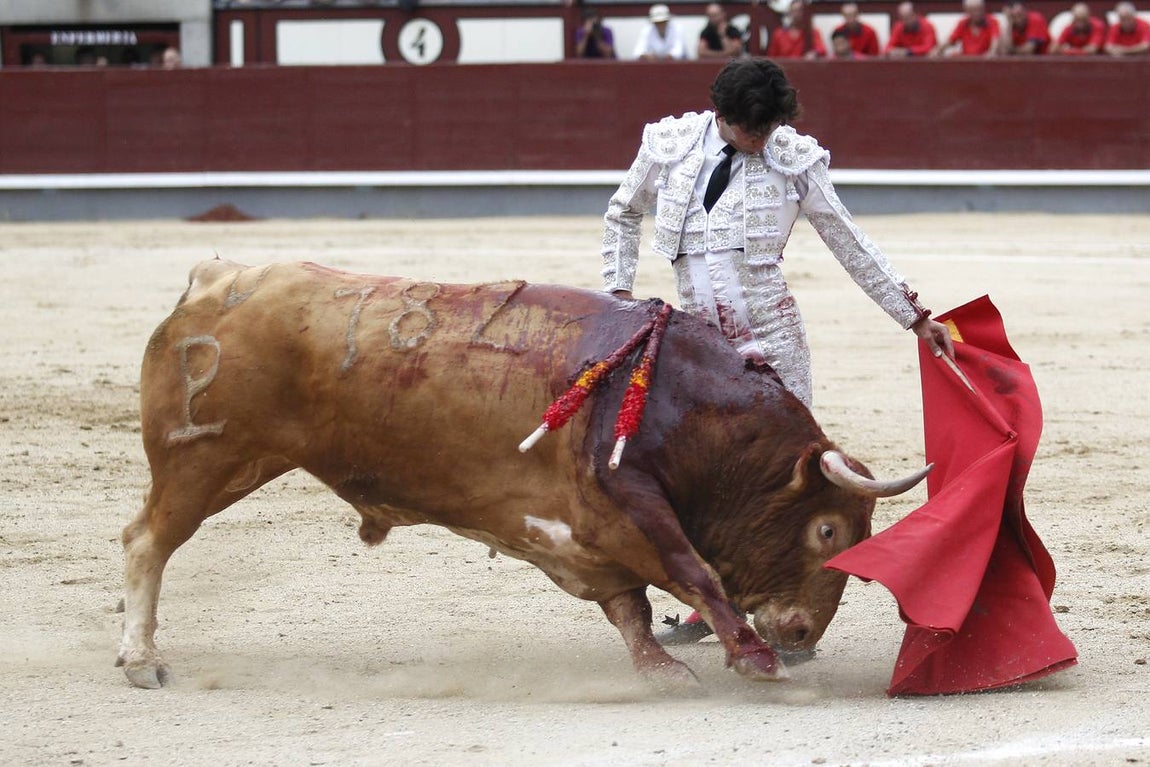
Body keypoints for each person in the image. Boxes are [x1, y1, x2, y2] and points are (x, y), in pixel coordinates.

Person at [600, 59, 954, 642]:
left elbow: (847, 239)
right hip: (695, 345)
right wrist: (617, 292)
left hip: (773, 337)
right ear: (723, 116)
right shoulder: (671, 145)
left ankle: (788, 608)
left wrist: (912, 316)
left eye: (769, 129)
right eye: (750, 131)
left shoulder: (794, 159)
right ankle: (710, 601)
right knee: (700, 473)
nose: (762, 140)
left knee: (782, 483)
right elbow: (622, 211)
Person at [931, 0, 1002, 56]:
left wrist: (992, 52)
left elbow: (995, 40)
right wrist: (938, 50)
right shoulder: (963, 23)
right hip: (967, 59)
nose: (977, 13)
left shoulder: (992, 21)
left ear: (983, 9)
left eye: (979, 10)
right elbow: (951, 40)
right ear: (967, 11)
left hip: (984, 60)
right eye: (973, 10)